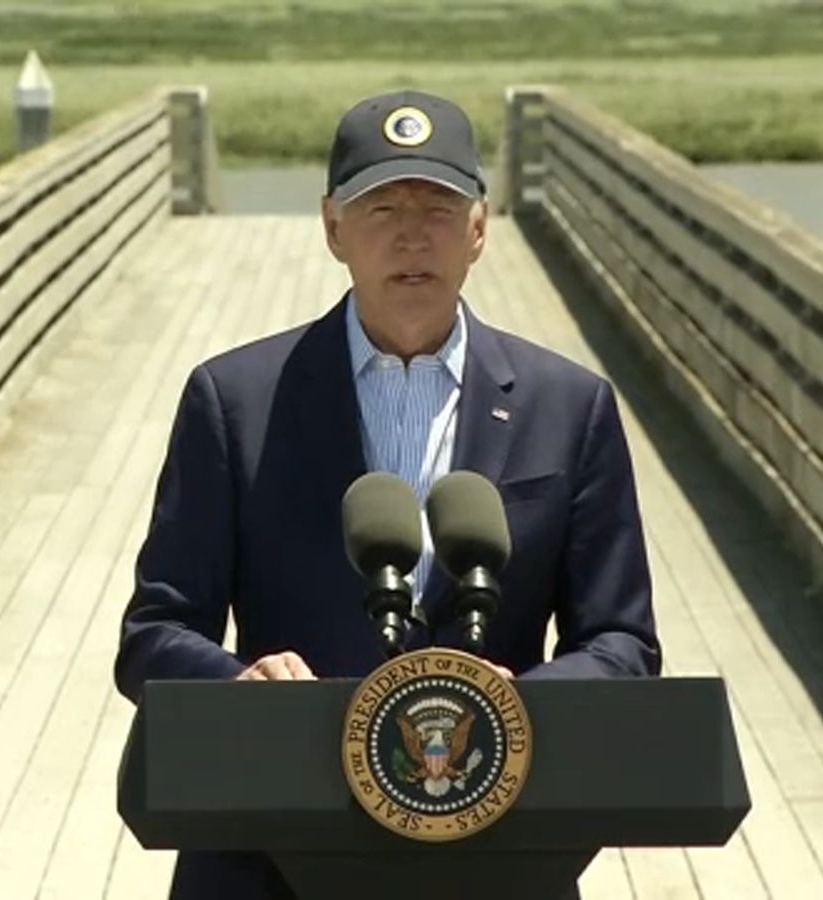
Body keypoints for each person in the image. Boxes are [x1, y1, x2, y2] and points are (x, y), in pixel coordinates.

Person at [113, 89, 661, 900]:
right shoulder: (235, 402)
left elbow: (623, 644)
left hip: (501, 853)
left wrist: (523, 705)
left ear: (479, 228)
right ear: (333, 228)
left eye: (438, 207)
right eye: (382, 208)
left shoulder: (568, 406)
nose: (411, 234)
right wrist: (242, 683)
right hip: (273, 857)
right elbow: (154, 632)